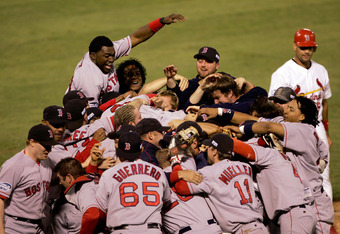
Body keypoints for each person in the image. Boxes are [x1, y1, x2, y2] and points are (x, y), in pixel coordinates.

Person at [66, 14, 186, 107]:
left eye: (113, 55)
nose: (111, 60)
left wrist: (161, 21)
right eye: (107, 56)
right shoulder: (89, 79)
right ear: (93, 56)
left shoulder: (105, 51)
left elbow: (136, 37)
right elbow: (93, 114)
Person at [269, 28, 333, 199]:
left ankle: (326, 223)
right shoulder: (282, 73)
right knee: (296, 175)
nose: (307, 51)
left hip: (317, 128)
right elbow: (275, 105)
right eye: (303, 47)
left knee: (324, 175)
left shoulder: (321, 70)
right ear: (295, 46)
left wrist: (326, 133)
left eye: (310, 48)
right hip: (293, 130)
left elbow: (324, 102)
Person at [173, 133, 268, 233]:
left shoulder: (209, 173)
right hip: (260, 227)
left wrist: (176, 165)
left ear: (214, 152)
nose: (206, 150)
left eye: (209, 148)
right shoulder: (246, 167)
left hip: (243, 230)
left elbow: (181, 187)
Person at [95, 131, 172, 233]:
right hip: (152, 230)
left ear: (118, 150)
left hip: (122, 230)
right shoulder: (158, 171)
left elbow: (100, 210)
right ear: (142, 150)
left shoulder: (108, 174)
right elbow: (167, 200)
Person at [0, 124, 57, 233]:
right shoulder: (13, 165)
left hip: (40, 226)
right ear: (32, 142)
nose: (49, 150)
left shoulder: (47, 162)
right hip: (16, 227)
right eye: (45, 145)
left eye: (51, 146)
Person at [54, 157, 104, 233]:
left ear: (69, 178)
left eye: (60, 179)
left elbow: (92, 215)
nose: (60, 183)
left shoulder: (84, 189)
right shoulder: (94, 180)